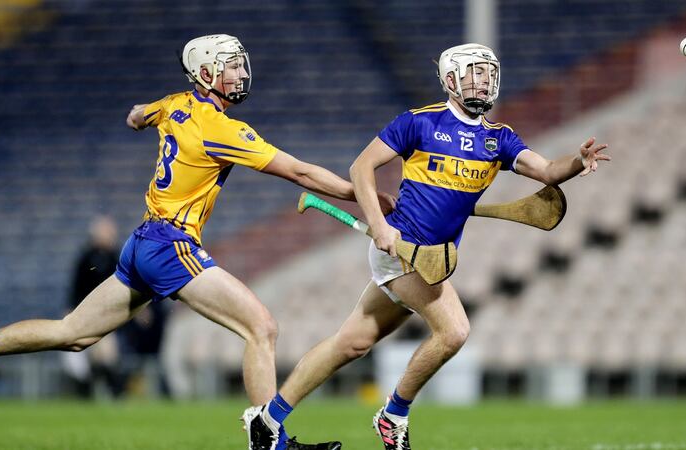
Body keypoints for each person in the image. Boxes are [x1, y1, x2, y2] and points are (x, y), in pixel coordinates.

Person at [0, 33, 395, 450]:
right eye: (231, 65)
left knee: (73, 333)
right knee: (261, 328)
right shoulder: (221, 128)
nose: (241, 72)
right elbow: (299, 171)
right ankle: (270, 442)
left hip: (141, 242)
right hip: (171, 243)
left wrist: (143, 117)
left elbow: (138, 114)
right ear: (206, 74)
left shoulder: (175, 103)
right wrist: (366, 197)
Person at [247, 43, 611, 450]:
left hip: (429, 259)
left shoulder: (499, 138)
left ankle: (268, 420)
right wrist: (380, 226)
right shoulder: (418, 123)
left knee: (351, 343)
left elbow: (546, 170)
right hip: (401, 251)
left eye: (489, 73)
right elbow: (361, 167)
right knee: (454, 331)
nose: (485, 80)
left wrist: (576, 163)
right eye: (475, 72)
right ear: (451, 80)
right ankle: (393, 415)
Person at [61, 215, 126, 398]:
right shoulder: (87, 258)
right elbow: (76, 288)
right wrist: (70, 310)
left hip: (111, 314)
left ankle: (112, 392)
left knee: (106, 353)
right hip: (87, 313)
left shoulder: (118, 257)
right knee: (94, 354)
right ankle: (97, 392)